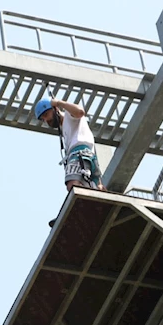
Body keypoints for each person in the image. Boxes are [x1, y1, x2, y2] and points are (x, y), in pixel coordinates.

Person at [35, 97, 107, 227]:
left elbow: (80, 111)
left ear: (55, 109)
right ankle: (96, 212)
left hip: (79, 154)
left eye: (46, 115)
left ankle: (77, 212)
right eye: (43, 119)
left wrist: (58, 103)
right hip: (89, 157)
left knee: (72, 184)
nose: (47, 120)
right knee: (93, 189)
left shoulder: (69, 115)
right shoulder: (65, 128)